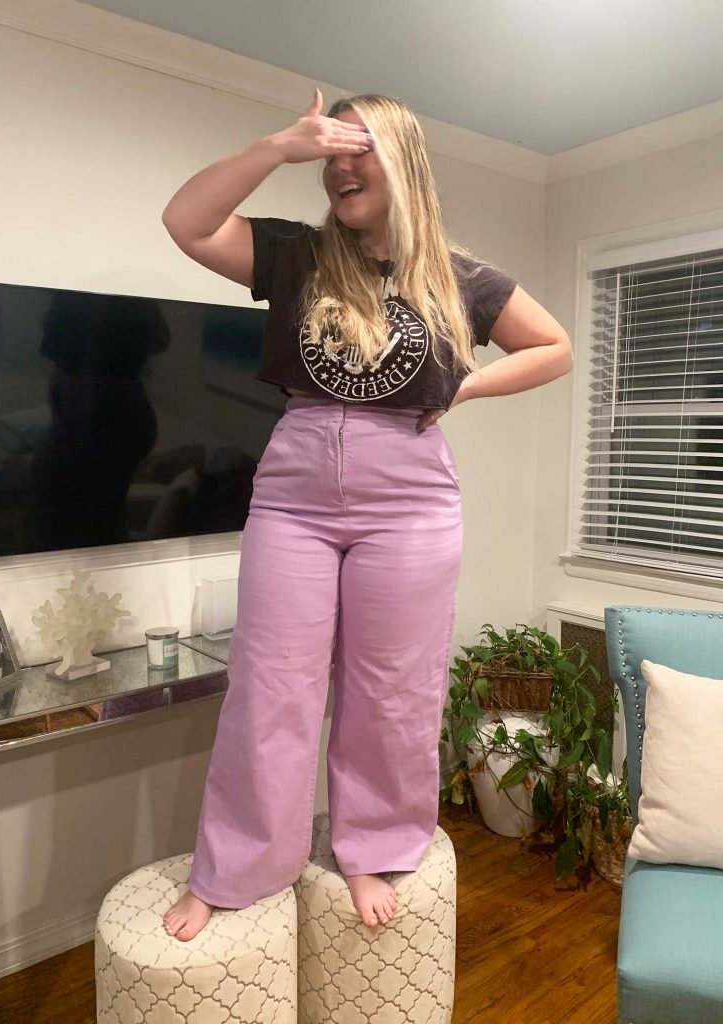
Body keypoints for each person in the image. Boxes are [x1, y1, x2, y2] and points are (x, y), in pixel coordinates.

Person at [160, 89, 572, 942]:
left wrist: (468, 382)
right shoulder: (298, 254)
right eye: (331, 155)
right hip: (295, 492)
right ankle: (235, 865)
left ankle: (373, 848)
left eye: (359, 150)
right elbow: (187, 221)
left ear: (404, 163)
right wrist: (281, 144)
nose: (340, 167)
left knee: (392, 691)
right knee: (269, 688)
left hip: (411, 499)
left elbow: (554, 347)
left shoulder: (461, 277)